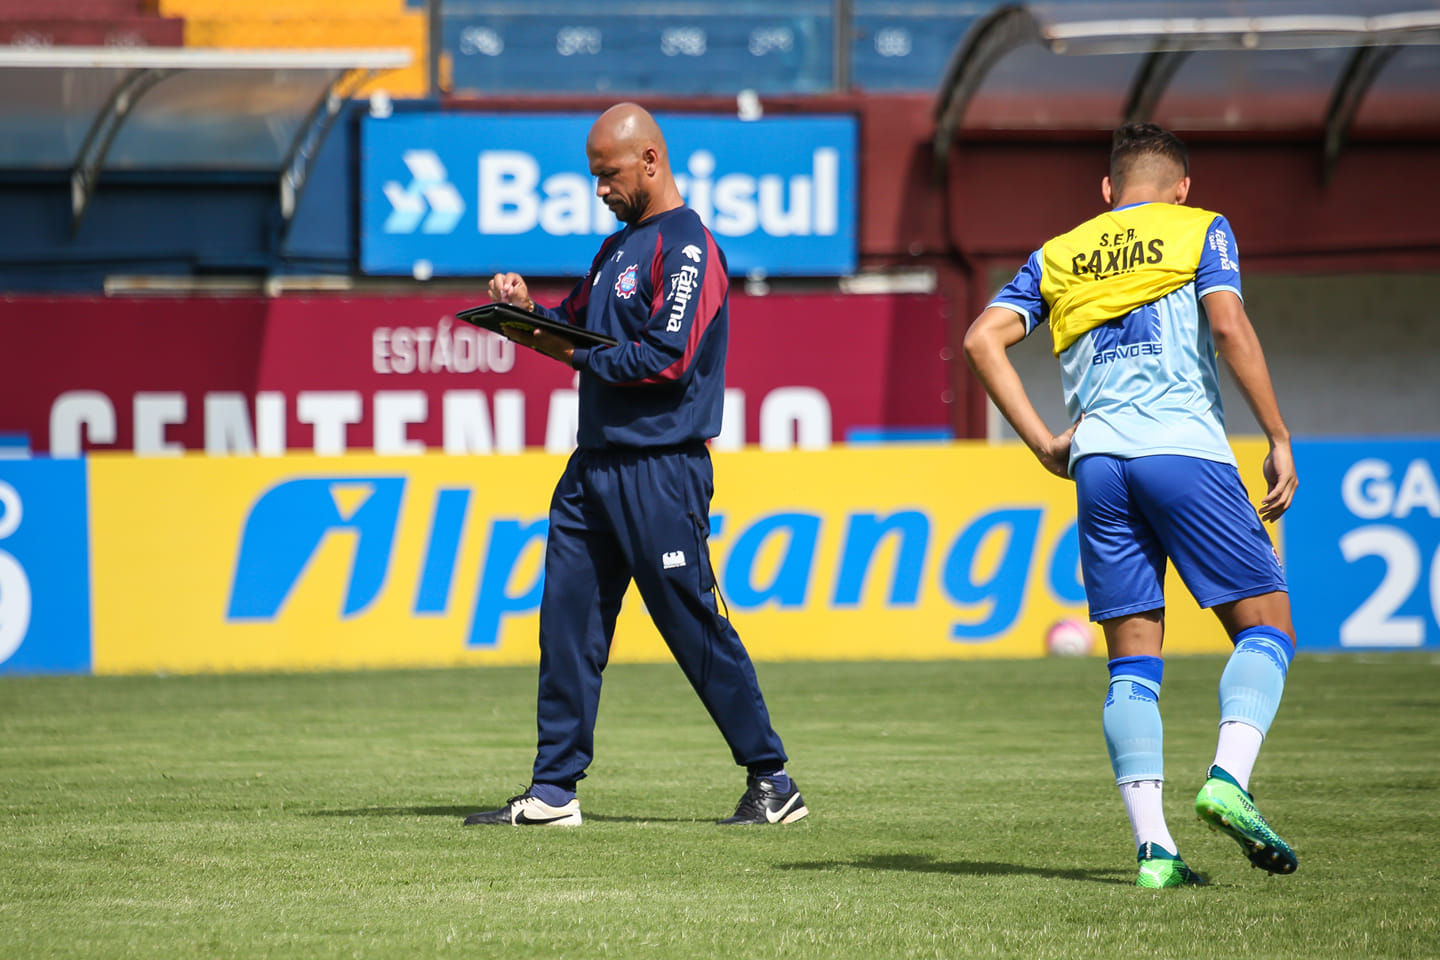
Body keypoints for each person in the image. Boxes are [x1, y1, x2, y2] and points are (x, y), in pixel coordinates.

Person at [963, 122, 1299, 888]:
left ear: (1107, 192)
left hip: (1100, 462)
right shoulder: (1200, 229)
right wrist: (1276, 433)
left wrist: (1047, 443)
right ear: (1183, 187)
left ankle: (1155, 853)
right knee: (1266, 627)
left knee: (1131, 666)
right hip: (1183, 450)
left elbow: (983, 338)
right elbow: (1226, 324)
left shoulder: (1059, 253)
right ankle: (1228, 779)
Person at [463, 103, 807, 828]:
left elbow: (665, 358)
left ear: (650, 160)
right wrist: (528, 313)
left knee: (690, 624)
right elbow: (576, 331)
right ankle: (554, 791)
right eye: (593, 176)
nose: (600, 189)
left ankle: (772, 781)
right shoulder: (616, 249)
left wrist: (567, 348)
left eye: (608, 174)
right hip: (593, 468)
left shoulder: (686, 247)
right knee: (566, 624)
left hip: (661, 468)